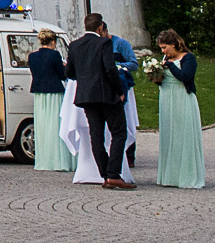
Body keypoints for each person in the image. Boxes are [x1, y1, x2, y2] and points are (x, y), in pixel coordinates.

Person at [66, 13, 131, 189]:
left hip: (86, 97)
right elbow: (110, 69)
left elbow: (70, 73)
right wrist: (119, 91)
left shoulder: (74, 45)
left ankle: (105, 174)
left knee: (96, 136)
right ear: (100, 27)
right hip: (106, 95)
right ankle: (113, 174)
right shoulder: (104, 43)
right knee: (119, 133)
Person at [154, 29, 205, 188]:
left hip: (182, 97)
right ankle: (170, 176)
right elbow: (163, 80)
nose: (163, 51)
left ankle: (187, 176)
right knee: (170, 135)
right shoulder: (165, 58)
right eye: (161, 48)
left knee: (184, 134)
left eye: (164, 47)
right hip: (167, 97)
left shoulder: (188, 58)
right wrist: (155, 76)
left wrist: (169, 65)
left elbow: (185, 77)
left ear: (174, 44)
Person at [26, 29, 75, 172]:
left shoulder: (32, 56)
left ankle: (44, 159)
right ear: (53, 42)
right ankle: (58, 159)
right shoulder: (55, 55)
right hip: (54, 92)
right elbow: (62, 75)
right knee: (56, 124)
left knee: (43, 125)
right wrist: (65, 68)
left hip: (39, 93)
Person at [110, 30, 140, 168]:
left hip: (123, 85)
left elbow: (133, 63)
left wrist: (118, 66)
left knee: (127, 118)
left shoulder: (120, 43)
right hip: (108, 86)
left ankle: (129, 155)